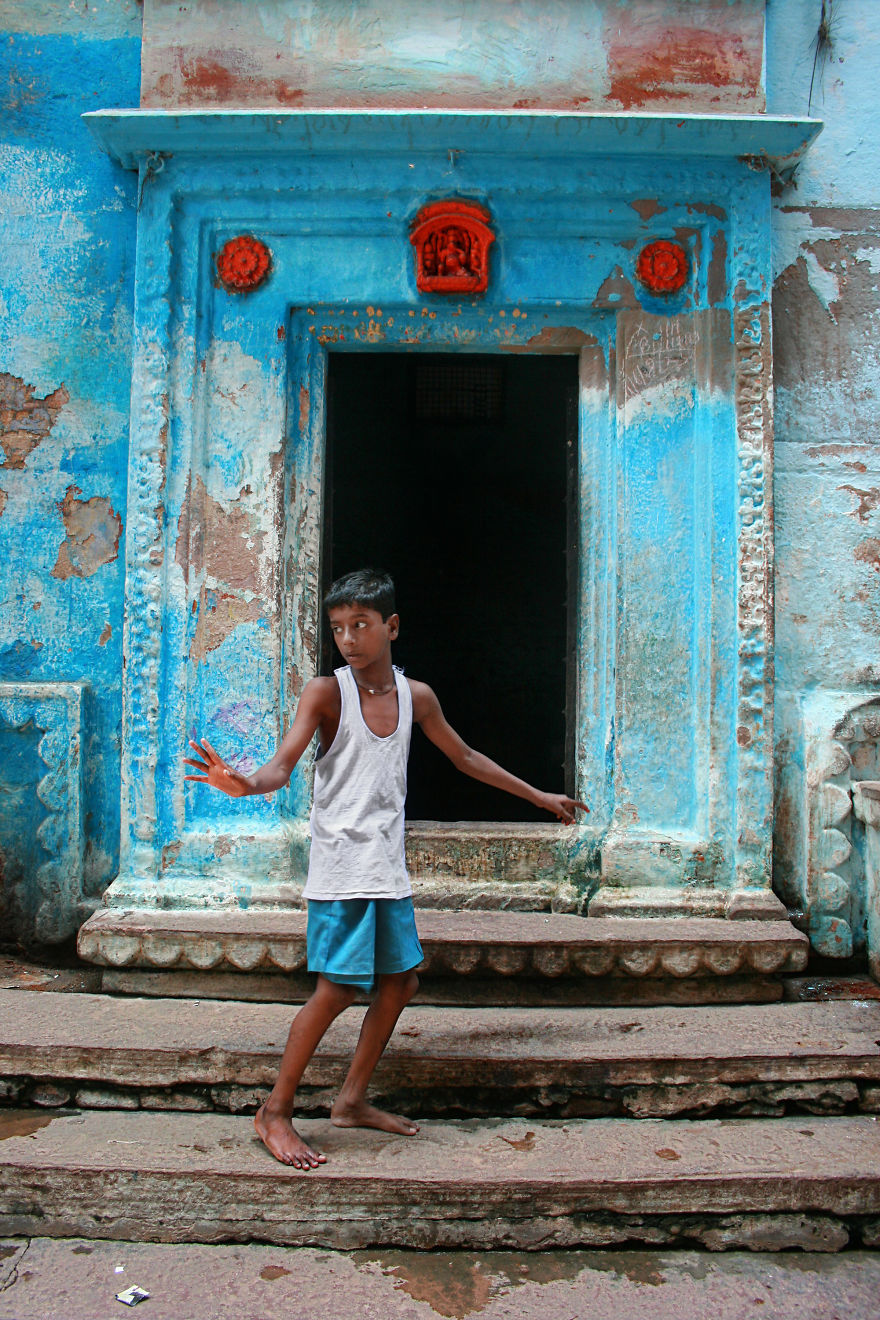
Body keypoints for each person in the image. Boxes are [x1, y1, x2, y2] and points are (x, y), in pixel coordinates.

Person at [184, 568, 587, 1169]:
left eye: (361, 625)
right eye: (339, 628)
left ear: (391, 626)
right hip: (342, 870)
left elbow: (466, 757)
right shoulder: (326, 693)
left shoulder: (416, 697)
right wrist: (245, 786)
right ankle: (275, 1111)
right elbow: (281, 766)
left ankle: (349, 1101)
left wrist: (539, 797)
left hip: (385, 870)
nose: (348, 638)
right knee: (339, 988)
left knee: (400, 983)